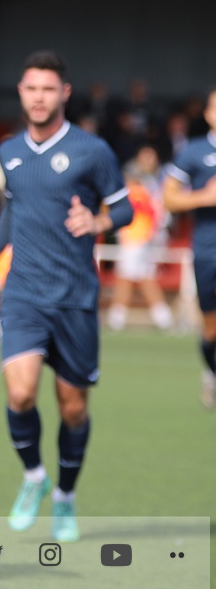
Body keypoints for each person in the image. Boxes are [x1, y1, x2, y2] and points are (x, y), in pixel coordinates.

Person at [0, 51, 131, 543]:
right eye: (30, 88)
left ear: (64, 93)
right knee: (20, 393)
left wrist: (98, 222)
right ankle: (34, 478)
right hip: (23, 293)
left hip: (77, 298)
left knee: (73, 409)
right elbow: (14, 207)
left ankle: (64, 495)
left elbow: (123, 209)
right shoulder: (9, 151)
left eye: (48, 89)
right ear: (20, 93)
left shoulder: (92, 151)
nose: (38, 97)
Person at [162, 88, 216, 408]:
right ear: (208, 113)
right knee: (211, 328)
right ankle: (211, 372)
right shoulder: (194, 152)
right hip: (208, 251)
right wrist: (205, 198)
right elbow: (168, 198)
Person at [108, 145, 173, 331]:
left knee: (136, 274)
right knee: (135, 274)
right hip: (134, 234)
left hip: (151, 236)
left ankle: (119, 317)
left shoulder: (158, 181)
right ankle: (161, 317)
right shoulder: (132, 182)